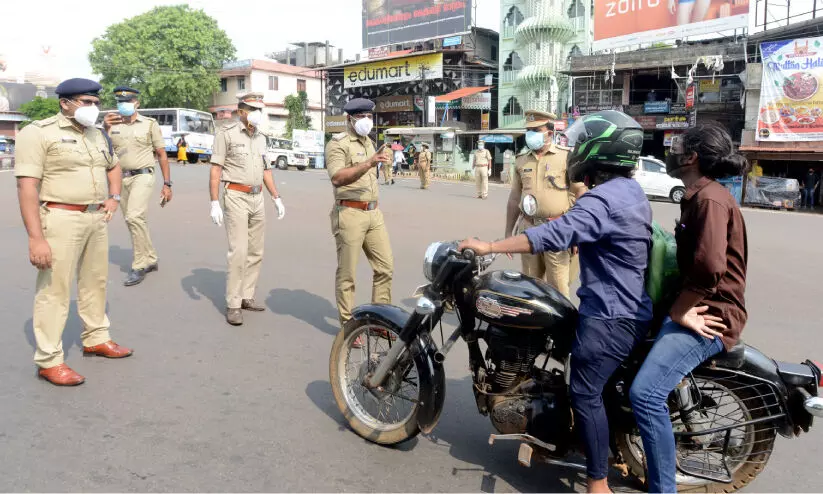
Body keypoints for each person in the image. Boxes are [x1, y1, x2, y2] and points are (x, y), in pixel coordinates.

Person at [459, 111, 653, 494]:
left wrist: (491, 246)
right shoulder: (626, 191)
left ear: (598, 152)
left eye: (582, 144)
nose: (576, 150)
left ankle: (598, 483)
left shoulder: (603, 202)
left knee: (584, 391)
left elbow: (555, 232)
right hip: (626, 303)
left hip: (611, 314)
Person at [629, 122, 750, 493]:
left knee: (645, 396)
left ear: (692, 157)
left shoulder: (710, 200)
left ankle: (662, 489)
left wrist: (680, 312)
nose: (672, 151)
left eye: (678, 145)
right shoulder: (701, 195)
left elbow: (710, 268)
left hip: (709, 314)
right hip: (698, 304)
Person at [14, 78, 132, 386]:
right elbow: (27, 186)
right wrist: (36, 237)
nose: (93, 108)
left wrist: (114, 197)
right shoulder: (38, 133)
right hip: (60, 217)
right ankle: (49, 360)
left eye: (95, 103)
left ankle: (96, 337)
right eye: (85, 102)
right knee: (55, 290)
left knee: (96, 282)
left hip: (96, 217)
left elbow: (113, 166)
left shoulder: (97, 135)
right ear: (65, 103)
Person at [209, 92, 285, 326]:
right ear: (241, 111)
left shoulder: (261, 137)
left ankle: (246, 296)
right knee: (239, 251)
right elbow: (215, 169)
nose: (257, 114)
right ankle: (233, 304)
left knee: (256, 251)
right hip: (235, 195)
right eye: (252, 109)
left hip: (257, 197)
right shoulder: (227, 134)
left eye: (259, 110)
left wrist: (276, 197)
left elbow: (266, 171)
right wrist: (214, 202)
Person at [324, 98, 394, 333]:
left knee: (385, 268)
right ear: (349, 119)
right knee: (348, 274)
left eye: (370, 116)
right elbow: (337, 177)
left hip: (373, 212)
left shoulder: (369, 143)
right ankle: (348, 326)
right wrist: (368, 163)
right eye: (362, 117)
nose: (367, 121)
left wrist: (381, 162)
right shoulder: (338, 144)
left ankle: (380, 320)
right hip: (350, 212)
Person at [507, 110, 587, 299]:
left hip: (557, 229)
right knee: (529, 287)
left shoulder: (566, 157)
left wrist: (576, 233)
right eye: (528, 130)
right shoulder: (521, 160)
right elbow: (513, 199)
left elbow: (581, 193)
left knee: (558, 290)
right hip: (529, 228)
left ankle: (561, 328)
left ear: (550, 133)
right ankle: (533, 327)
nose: (530, 134)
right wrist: (508, 233)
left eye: (536, 130)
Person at [103, 86, 172, 287]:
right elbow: (103, 151)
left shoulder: (149, 124)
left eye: (128, 101)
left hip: (143, 175)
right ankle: (150, 258)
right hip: (120, 178)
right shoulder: (110, 125)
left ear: (137, 103)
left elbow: (161, 154)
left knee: (134, 216)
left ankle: (139, 264)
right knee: (134, 219)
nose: (123, 105)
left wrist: (167, 183)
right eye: (119, 102)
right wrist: (104, 128)